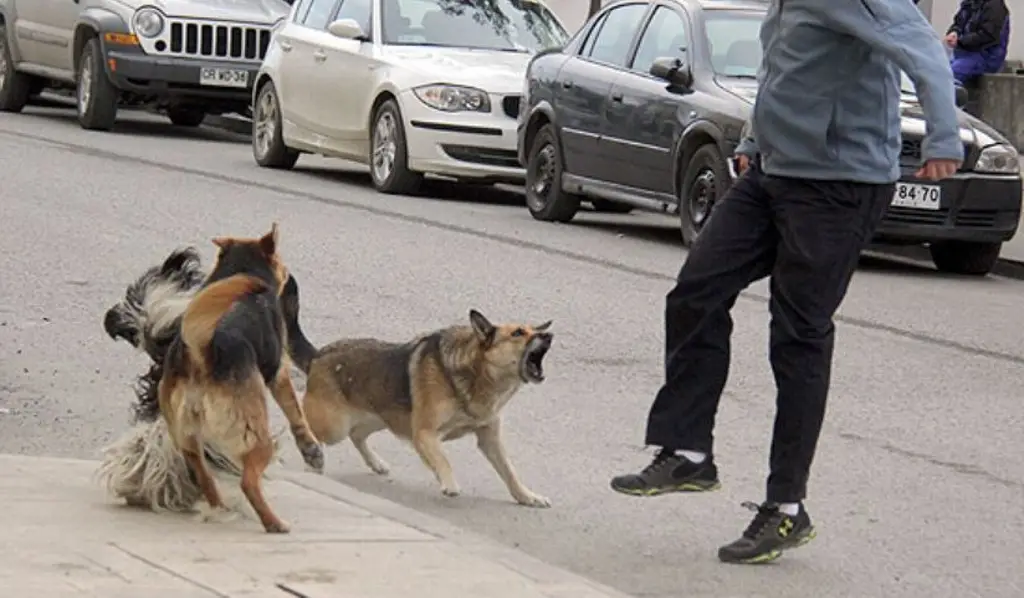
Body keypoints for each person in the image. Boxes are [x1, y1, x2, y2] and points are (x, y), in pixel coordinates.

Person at [609, 0, 963, 565]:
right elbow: (781, 73)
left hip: (839, 184)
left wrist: (945, 139)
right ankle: (688, 450)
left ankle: (786, 509)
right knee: (697, 290)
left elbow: (921, 48)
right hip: (774, 173)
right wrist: (753, 141)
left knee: (797, 334)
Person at [945, 0, 1011, 85]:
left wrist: (960, 41)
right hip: (964, 52)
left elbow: (988, 35)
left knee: (950, 74)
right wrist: (954, 32)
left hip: (986, 56)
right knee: (938, 71)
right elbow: (959, 22)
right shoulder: (969, 3)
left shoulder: (995, 5)